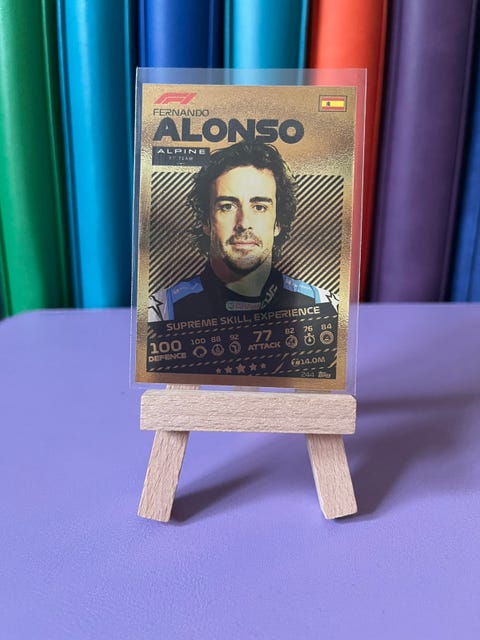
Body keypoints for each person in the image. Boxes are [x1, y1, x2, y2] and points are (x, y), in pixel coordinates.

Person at [148, 141, 338, 321]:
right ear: (206, 221)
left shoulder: (327, 308)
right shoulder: (159, 313)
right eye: (227, 206)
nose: (244, 223)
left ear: (278, 223)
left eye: (259, 207)